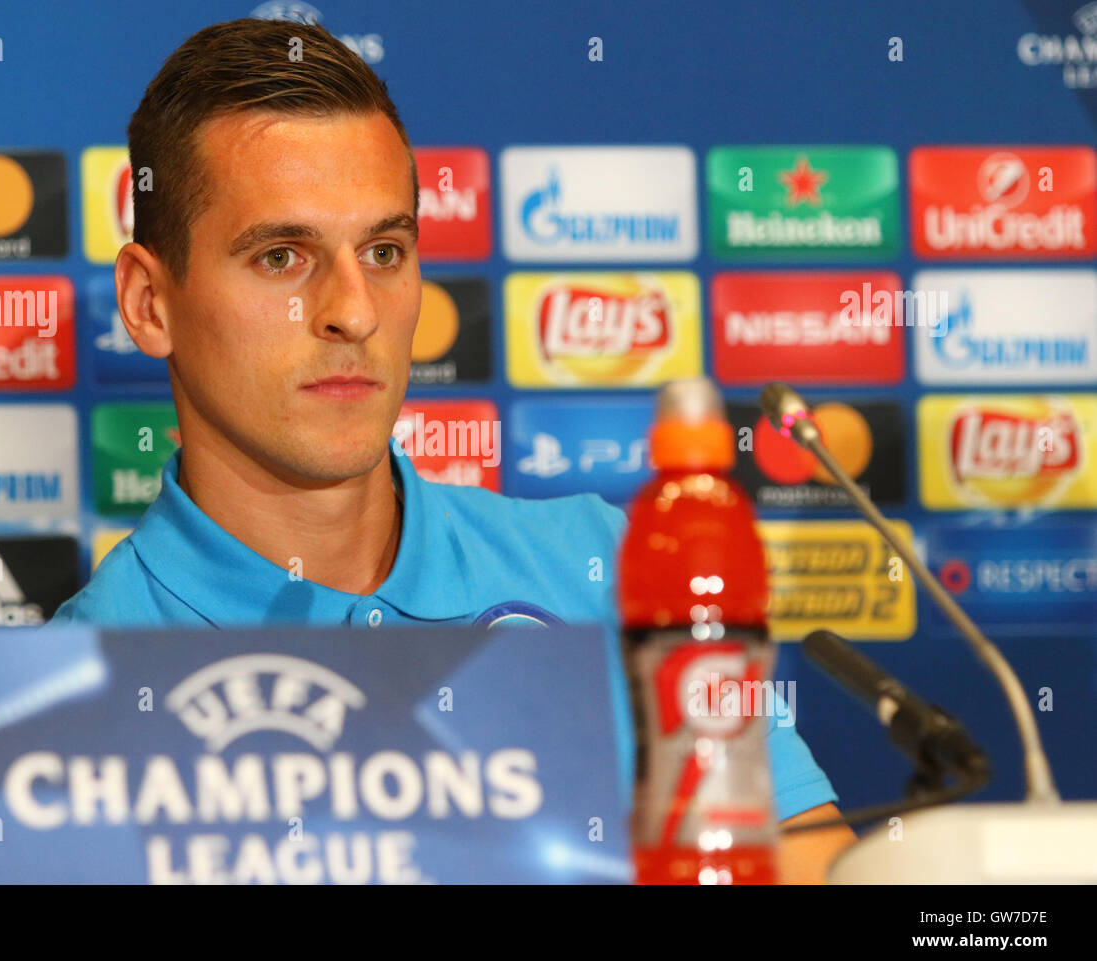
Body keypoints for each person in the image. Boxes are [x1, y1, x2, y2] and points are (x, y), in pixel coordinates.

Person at [48, 17, 856, 883]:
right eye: (283, 256)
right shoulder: (68, 698)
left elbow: (817, 870)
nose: (354, 312)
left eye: (385, 251)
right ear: (148, 302)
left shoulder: (615, 568)